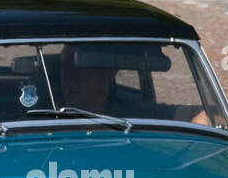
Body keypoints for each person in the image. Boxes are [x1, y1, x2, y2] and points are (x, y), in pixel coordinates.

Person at [57, 45, 211, 125]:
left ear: (107, 77)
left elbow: (199, 115)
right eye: (65, 70)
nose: (69, 81)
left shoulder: (130, 113)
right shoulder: (42, 112)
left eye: (81, 73)